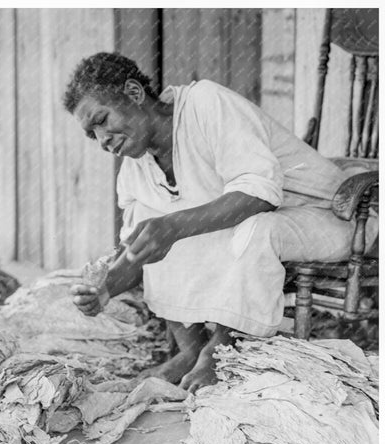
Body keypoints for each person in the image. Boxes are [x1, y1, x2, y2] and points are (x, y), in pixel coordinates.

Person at [63, 52, 378, 393]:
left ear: (134, 93)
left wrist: (172, 227)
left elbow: (260, 194)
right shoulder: (135, 169)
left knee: (249, 228)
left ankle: (220, 349)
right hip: (270, 224)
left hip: (333, 217)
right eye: (92, 134)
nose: (103, 139)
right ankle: (192, 349)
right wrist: (106, 288)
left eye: (101, 120)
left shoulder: (205, 103)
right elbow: (135, 250)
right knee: (154, 228)